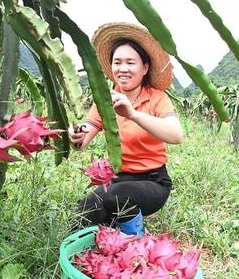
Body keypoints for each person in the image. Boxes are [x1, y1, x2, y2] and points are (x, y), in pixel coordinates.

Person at [68, 22, 184, 235]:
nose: (123, 68)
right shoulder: (105, 100)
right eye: (117, 62)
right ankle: (113, 230)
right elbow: (82, 140)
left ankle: (137, 238)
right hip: (118, 179)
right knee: (80, 216)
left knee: (117, 197)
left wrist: (133, 114)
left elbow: (176, 134)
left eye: (130, 62)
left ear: (145, 67)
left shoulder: (157, 99)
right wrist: (75, 133)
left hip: (153, 181)